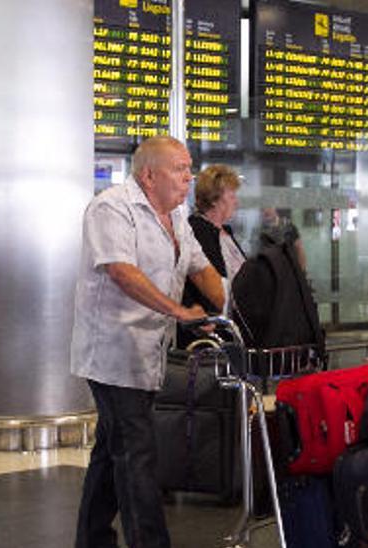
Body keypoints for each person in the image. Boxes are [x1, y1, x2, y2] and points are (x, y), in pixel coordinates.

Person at [71, 135, 225, 548]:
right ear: (148, 174)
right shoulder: (111, 207)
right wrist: (178, 312)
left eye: (189, 168)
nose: (189, 177)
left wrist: (230, 307)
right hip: (111, 352)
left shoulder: (176, 217)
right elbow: (122, 271)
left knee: (113, 447)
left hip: (147, 353)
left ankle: (92, 538)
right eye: (180, 168)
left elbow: (200, 267)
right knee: (137, 451)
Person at [184, 164, 246, 314]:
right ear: (213, 199)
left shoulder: (226, 232)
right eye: (231, 196)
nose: (236, 202)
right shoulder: (198, 231)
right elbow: (207, 283)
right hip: (213, 323)